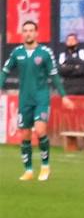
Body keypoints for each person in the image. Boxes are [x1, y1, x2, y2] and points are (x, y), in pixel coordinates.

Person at [2, 20, 75, 181]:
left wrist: (63, 96)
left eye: (31, 30)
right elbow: (5, 71)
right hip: (24, 99)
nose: (28, 33)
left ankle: (45, 166)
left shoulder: (45, 53)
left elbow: (54, 76)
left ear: (36, 33)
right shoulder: (16, 53)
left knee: (40, 130)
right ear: (22, 33)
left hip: (41, 97)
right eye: (25, 30)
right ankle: (28, 170)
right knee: (25, 135)